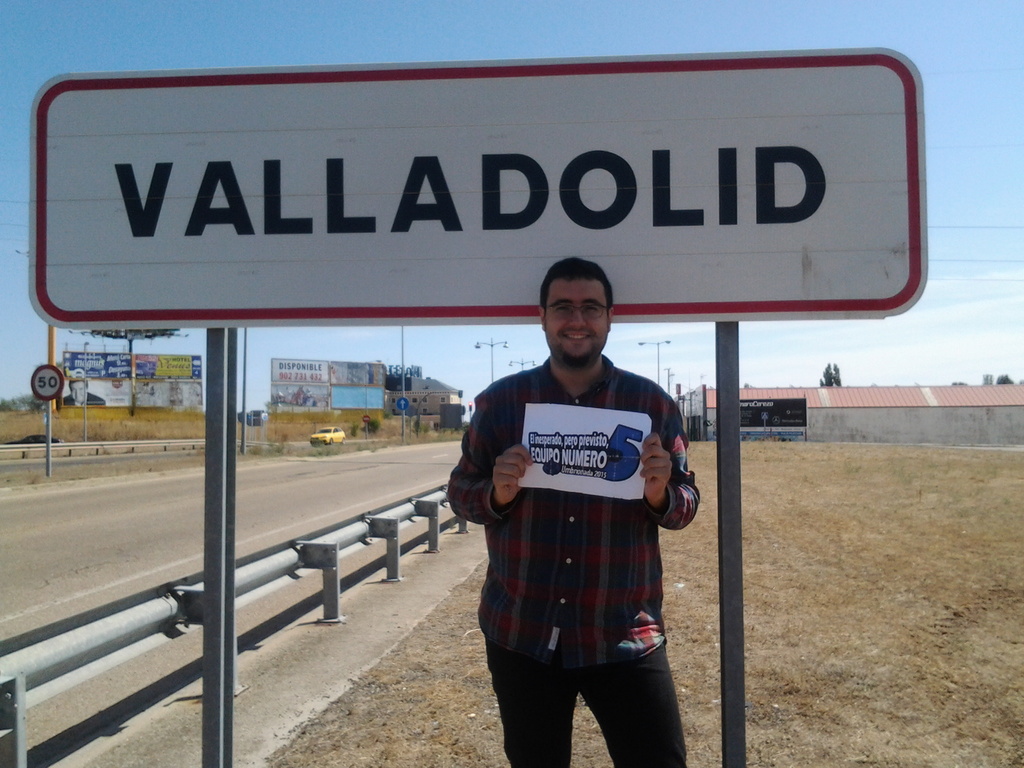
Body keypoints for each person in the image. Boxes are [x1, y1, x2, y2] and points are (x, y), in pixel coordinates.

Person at [448, 257, 700, 768]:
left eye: (591, 307)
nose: (577, 319)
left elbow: (685, 505)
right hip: (523, 632)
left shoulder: (650, 404)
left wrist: (658, 493)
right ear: (542, 317)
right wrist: (497, 493)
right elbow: (460, 492)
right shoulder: (500, 404)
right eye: (563, 307)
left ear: (610, 318)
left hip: (624, 633)